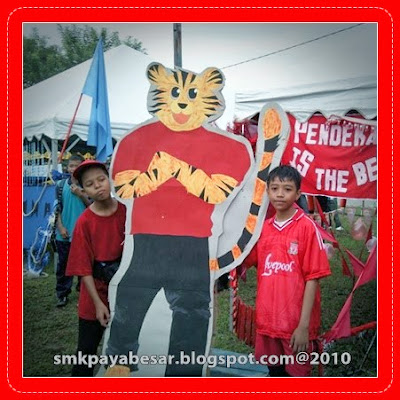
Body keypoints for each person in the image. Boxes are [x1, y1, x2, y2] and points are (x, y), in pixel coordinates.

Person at [243, 165, 331, 377]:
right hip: (268, 322)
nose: (280, 194)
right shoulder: (262, 229)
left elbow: (313, 278)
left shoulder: (306, 228)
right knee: (275, 372)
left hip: (295, 326)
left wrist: (303, 327)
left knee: (296, 376)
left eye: (287, 189)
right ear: (267, 191)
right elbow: (244, 260)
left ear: (298, 194)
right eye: (274, 188)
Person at [65, 160, 126, 377]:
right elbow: (83, 269)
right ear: (83, 190)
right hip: (94, 296)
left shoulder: (126, 212)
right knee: (86, 354)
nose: (98, 186)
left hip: (124, 294)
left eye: (101, 179)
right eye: (90, 184)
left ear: (110, 179)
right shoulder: (84, 222)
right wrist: (98, 304)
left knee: (123, 352)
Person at [54, 154, 91, 307]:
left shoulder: (89, 185)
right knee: (64, 266)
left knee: (84, 266)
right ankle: (62, 294)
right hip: (64, 234)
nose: (73, 169)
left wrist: (81, 194)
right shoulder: (60, 185)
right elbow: (57, 209)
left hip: (84, 234)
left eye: (76, 166)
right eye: (71, 166)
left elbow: (94, 207)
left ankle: (83, 292)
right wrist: (61, 227)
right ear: (67, 167)